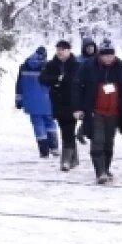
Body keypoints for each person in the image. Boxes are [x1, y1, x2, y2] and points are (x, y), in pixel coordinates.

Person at [73, 38, 122, 184]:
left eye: (111, 55)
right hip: (95, 111)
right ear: (99, 55)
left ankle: (106, 168)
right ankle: (100, 172)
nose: (108, 58)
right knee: (97, 140)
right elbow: (76, 87)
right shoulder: (88, 66)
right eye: (105, 55)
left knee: (108, 142)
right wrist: (77, 108)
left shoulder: (120, 66)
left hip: (113, 112)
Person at [39, 40, 81, 171]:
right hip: (57, 102)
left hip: (73, 102)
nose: (60, 52)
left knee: (68, 130)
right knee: (66, 130)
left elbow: (82, 82)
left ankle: (66, 161)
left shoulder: (76, 65)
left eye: (63, 50)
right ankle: (74, 159)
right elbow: (42, 79)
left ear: (69, 51)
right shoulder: (51, 64)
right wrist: (57, 79)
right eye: (58, 49)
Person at [16, 46, 58, 158]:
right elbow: (54, 84)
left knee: (38, 125)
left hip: (31, 101)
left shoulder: (23, 66)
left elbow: (19, 85)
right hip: (47, 99)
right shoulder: (48, 66)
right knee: (50, 123)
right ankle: (54, 147)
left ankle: (44, 151)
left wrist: (18, 99)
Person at [75, 37, 98, 145]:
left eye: (91, 47)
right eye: (87, 47)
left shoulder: (98, 59)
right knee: (87, 114)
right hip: (84, 91)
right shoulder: (79, 60)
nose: (90, 49)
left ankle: (82, 132)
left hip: (96, 90)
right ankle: (83, 133)